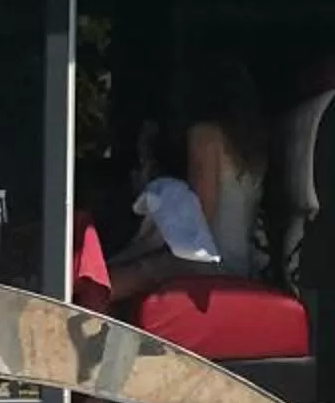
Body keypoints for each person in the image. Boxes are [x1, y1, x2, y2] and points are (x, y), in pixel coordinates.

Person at [104, 59, 272, 307]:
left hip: (211, 267)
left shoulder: (205, 134)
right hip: (241, 265)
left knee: (113, 278)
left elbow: (197, 222)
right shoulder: (252, 146)